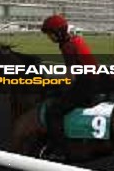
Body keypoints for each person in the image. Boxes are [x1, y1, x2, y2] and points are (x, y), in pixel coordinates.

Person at [40, 14, 100, 161]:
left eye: (50, 35)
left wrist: (50, 80)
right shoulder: (76, 40)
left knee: (53, 112)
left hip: (85, 85)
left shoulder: (67, 46)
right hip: (94, 81)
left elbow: (70, 77)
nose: (49, 38)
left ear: (58, 33)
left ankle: (59, 150)